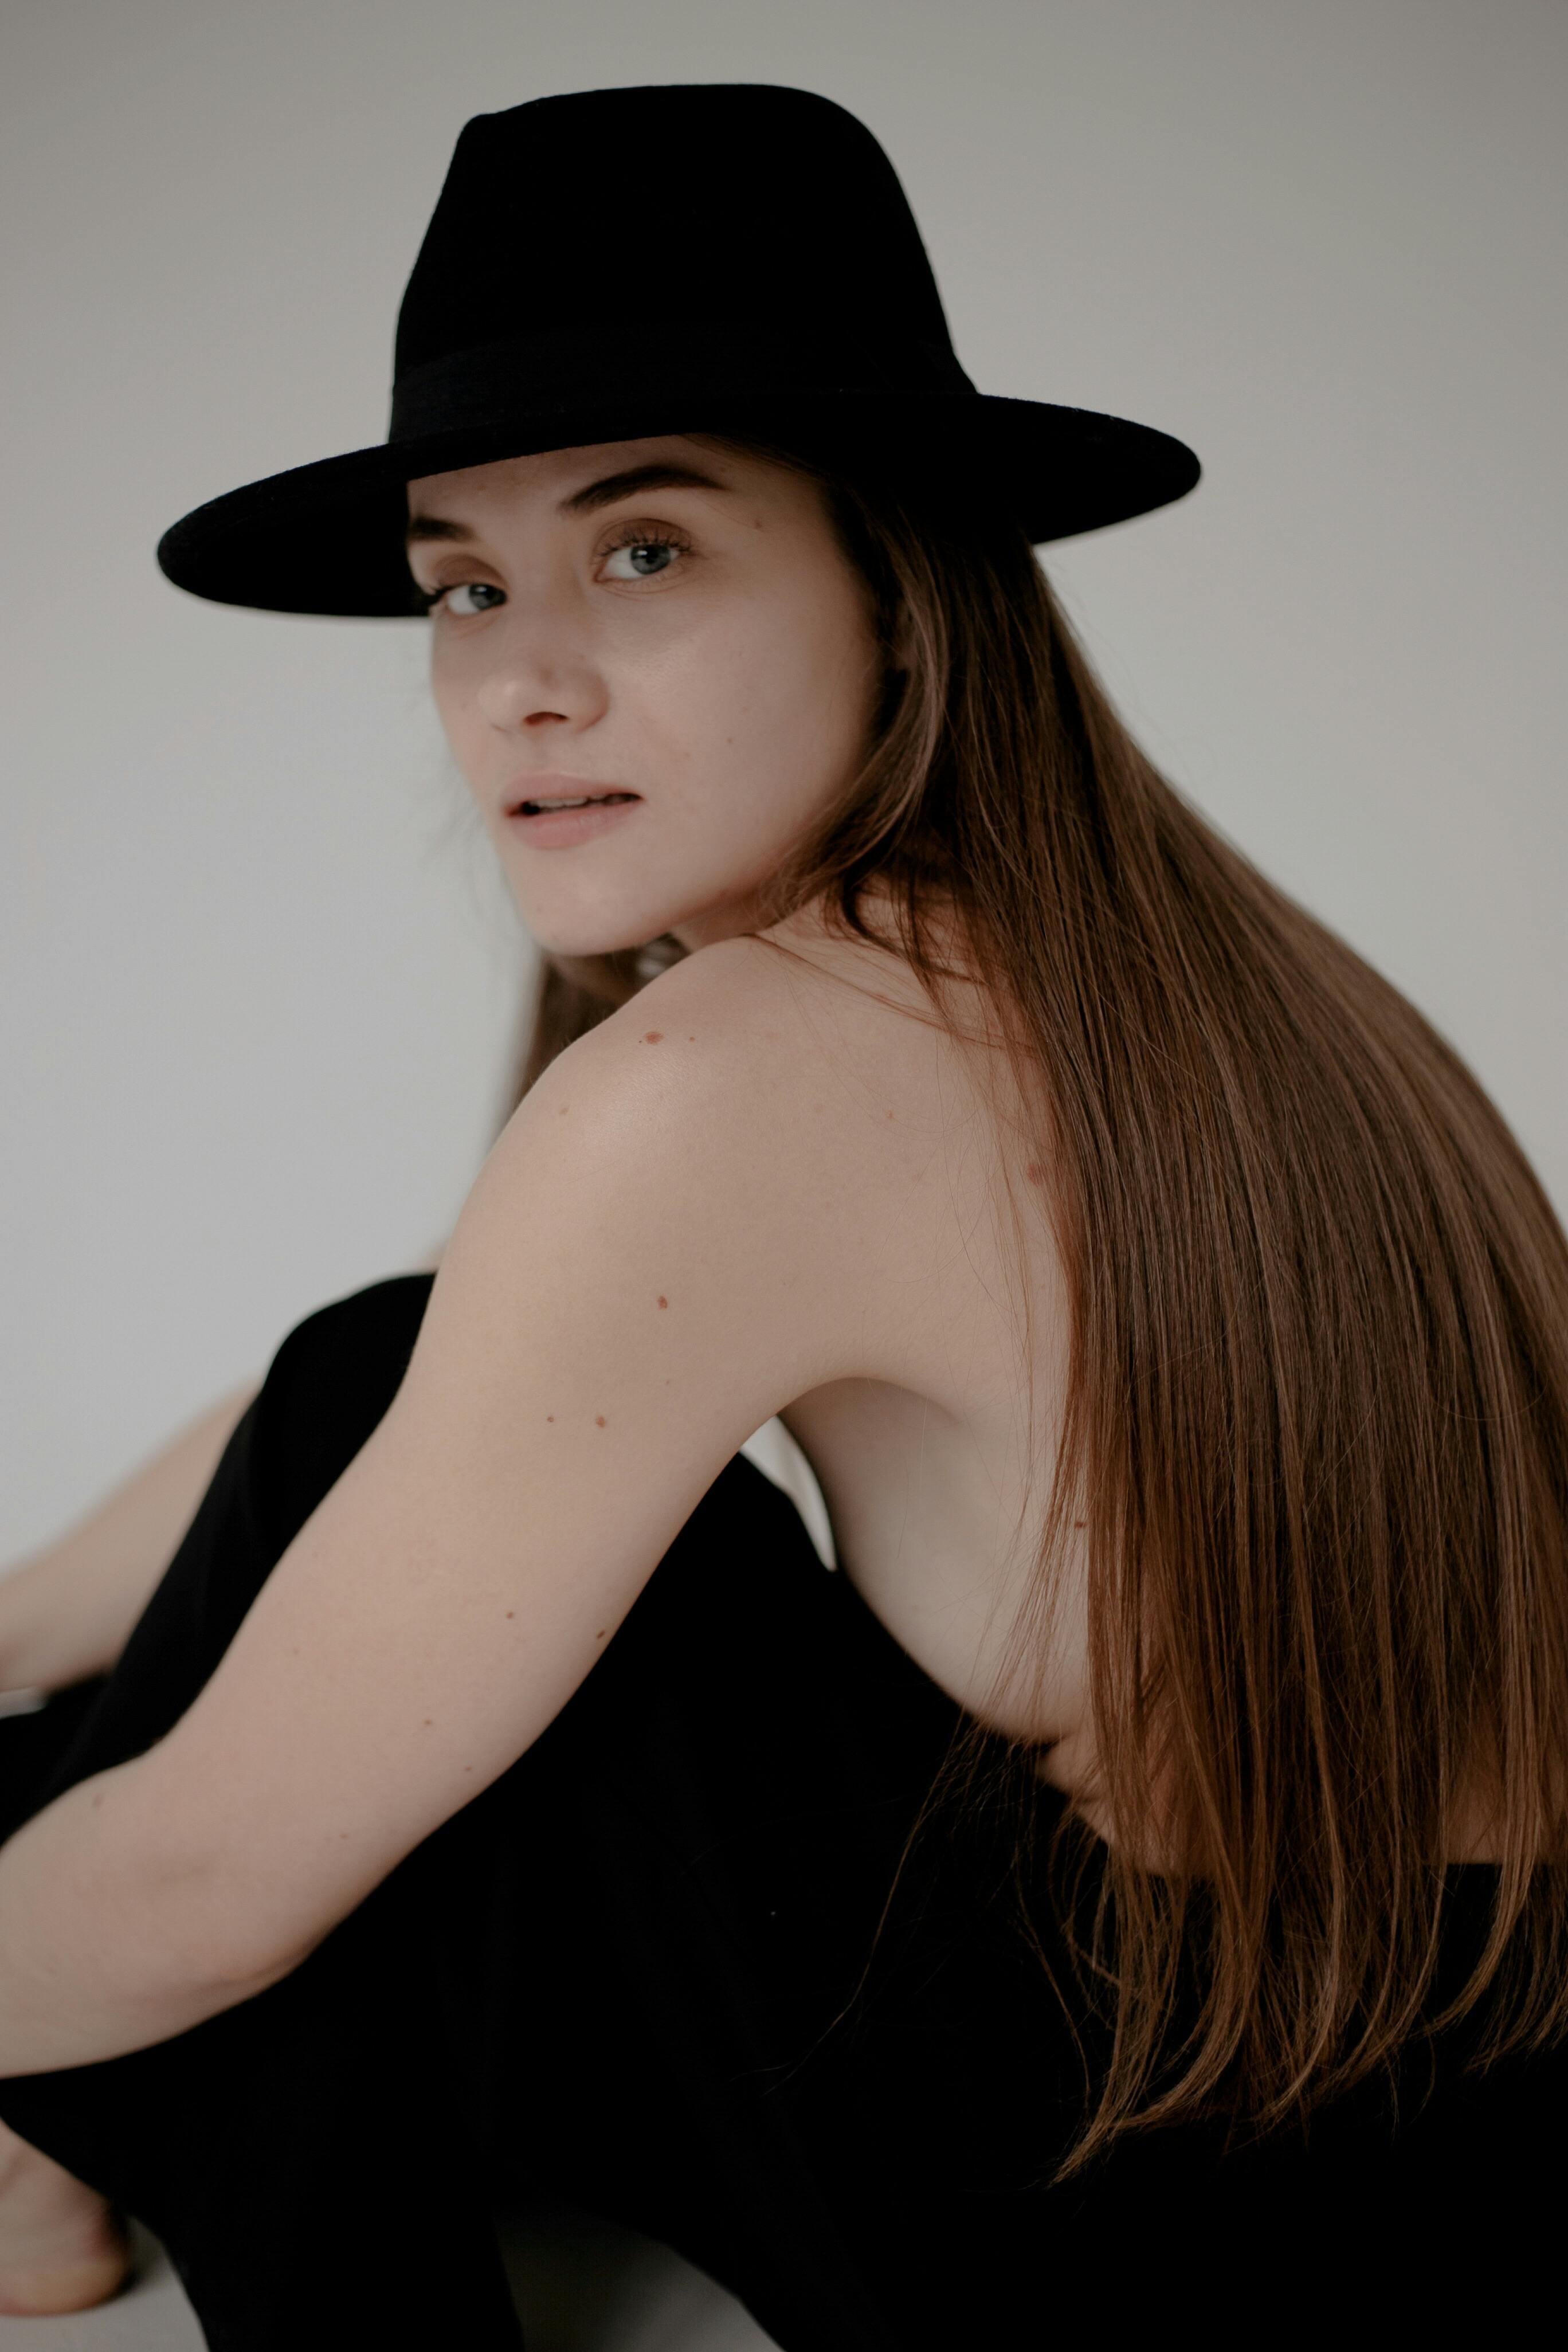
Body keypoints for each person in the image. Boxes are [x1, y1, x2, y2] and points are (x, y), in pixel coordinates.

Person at [1, 83, 1565, 2348]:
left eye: (645, 552)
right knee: (354, 1462)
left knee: (249, 1715)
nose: (523, 679)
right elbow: (467, 1398)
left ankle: (66, 2181)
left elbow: (225, 1875)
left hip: (1245, 2197)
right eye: (464, 583)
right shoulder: (1175, 983)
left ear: (898, 597)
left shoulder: (741, 1082)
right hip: (1452, 2100)